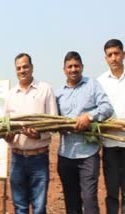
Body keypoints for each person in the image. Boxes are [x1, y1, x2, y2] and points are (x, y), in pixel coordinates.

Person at [56, 51, 113, 214]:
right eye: (70, 66)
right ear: (64, 69)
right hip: (66, 154)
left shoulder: (92, 85)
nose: (73, 69)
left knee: (89, 200)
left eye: (76, 66)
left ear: (82, 67)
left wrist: (90, 116)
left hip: (88, 154)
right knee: (71, 201)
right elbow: (53, 120)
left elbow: (107, 108)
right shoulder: (58, 93)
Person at [4, 53, 58, 214]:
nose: (22, 70)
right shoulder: (10, 94)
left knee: (39, 207)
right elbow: (7, 126)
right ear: (15, 71)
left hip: (38, 158)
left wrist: (39, 134)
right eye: (19, 68)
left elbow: (54, 124)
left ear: (32, 67)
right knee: (20, 207)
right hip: (17, 158)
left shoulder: (45, 89)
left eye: (25, 66)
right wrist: (8, 136)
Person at [97, 39, 125, 214]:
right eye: (110, 55)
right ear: (106, 58)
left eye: (117, 53)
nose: (114, 58)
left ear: (123, 54)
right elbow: (98, 110)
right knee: (112, 193)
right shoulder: (100, 82)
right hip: (110, 146)